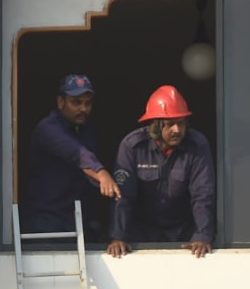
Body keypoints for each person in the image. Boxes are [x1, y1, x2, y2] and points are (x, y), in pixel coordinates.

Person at [107, 85, 215, 258]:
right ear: (155, 127)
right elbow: (123, 196)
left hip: (183, 234)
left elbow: (202, 194)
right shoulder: (132, 146)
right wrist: (118, 236)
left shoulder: (197, 145)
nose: (177, 130)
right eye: (170, 124)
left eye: (181, 123)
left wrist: (202, 235)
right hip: (140, 235)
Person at [19, 74, 121, 235]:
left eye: (88, 103)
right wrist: (102, 174)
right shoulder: (47, 129)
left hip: (77, 225)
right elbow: (77, 153)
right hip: (45, 225)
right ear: (61, 102)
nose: (83, 109)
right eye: (77, 102)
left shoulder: (88, 131)